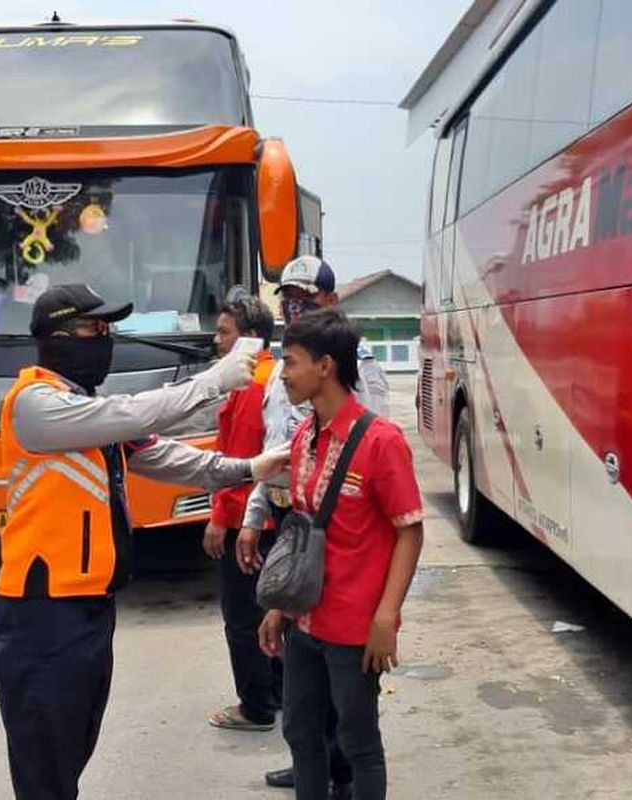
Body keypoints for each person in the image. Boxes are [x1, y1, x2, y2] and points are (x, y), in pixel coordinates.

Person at [0, 284, 289, 800]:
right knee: (45, 765)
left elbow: (166, 456)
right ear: (55, 337)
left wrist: (249, 468)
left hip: (88, 607)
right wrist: (213, 381)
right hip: (41, 613)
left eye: (108, 330)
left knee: (71, 750)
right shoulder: (35, 406)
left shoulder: (86, 408)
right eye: (92, 330)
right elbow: (135, 414)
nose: (104, 340)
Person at [251, 308, 425, 800]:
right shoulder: (304, 436)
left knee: (357, 743)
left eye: (291, 361)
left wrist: (386, 617)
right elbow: (304, 531)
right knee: (301, 735)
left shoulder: (381, 441)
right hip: (304, 624)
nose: (282, 373)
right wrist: (279, 606)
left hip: (355, 628)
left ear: (325, 366)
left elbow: (409, 533)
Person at [236, 255, 389, 796]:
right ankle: (315, 764)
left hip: (345, 530)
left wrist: (385, 613)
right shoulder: (288, 373)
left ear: (328, 299)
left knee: (350, 710)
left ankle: (339, 770)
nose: (290, 302)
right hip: (297, 521)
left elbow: (374, 464)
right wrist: (256, 517)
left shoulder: (353, 366)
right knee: (302, 697)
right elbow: (274, 449)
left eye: (302, 294)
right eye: (286, 294)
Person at [203, 296, 283, 732]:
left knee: (242, 617)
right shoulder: (276, 376)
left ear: (249, 338)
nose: (217, 342)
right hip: (275, 517)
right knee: (273, 608)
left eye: (224, 333)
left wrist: (220, 517)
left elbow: (239, 461)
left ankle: (255, 707)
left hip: (249, 521)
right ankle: (277, 692)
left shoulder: (250, 385)